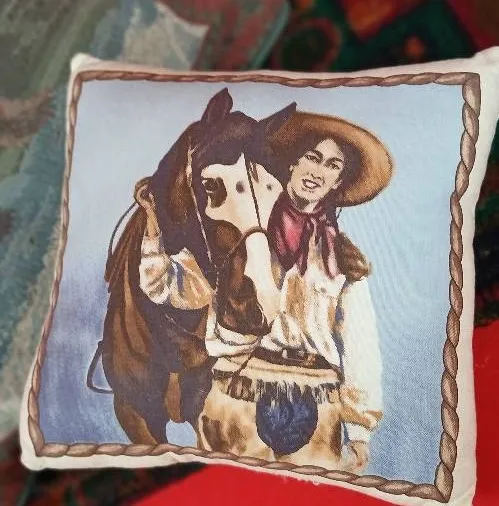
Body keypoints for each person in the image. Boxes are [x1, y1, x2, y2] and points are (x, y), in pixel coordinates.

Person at [139, 106, 393, 472]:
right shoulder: (242, 235)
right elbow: (169, 287)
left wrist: (359, 430)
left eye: (332, 165)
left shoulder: (344, 259)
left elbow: (359, 344)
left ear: (338, 181)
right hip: (237, 395)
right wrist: (152, 230)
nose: (317, 172)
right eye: (312, 157)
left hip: (316, 404)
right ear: (292, 163)